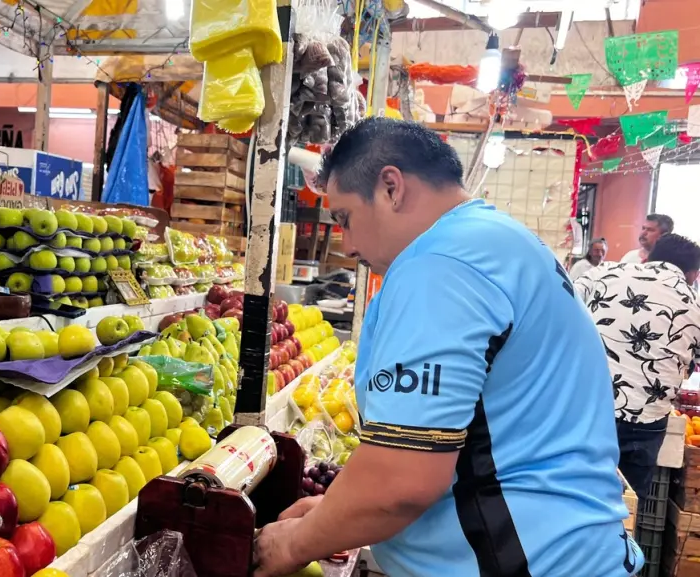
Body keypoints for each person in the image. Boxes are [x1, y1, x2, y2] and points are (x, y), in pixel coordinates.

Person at [253, 118, 641, 577]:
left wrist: (295, 543)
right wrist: (333, 515)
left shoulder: (439, 266)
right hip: (573, 550)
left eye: (345, 218)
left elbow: (402, 483)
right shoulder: (500, 242)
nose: (350, 245)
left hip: (525, 561)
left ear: (391, 187)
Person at [574, 234, 700, 495]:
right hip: (644, 422)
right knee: (623, 509)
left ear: (648, 257)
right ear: (693, 274)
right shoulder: (694, 304)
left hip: (583, 408)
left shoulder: (603, 272)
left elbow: (562, 305)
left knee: (571, 494)